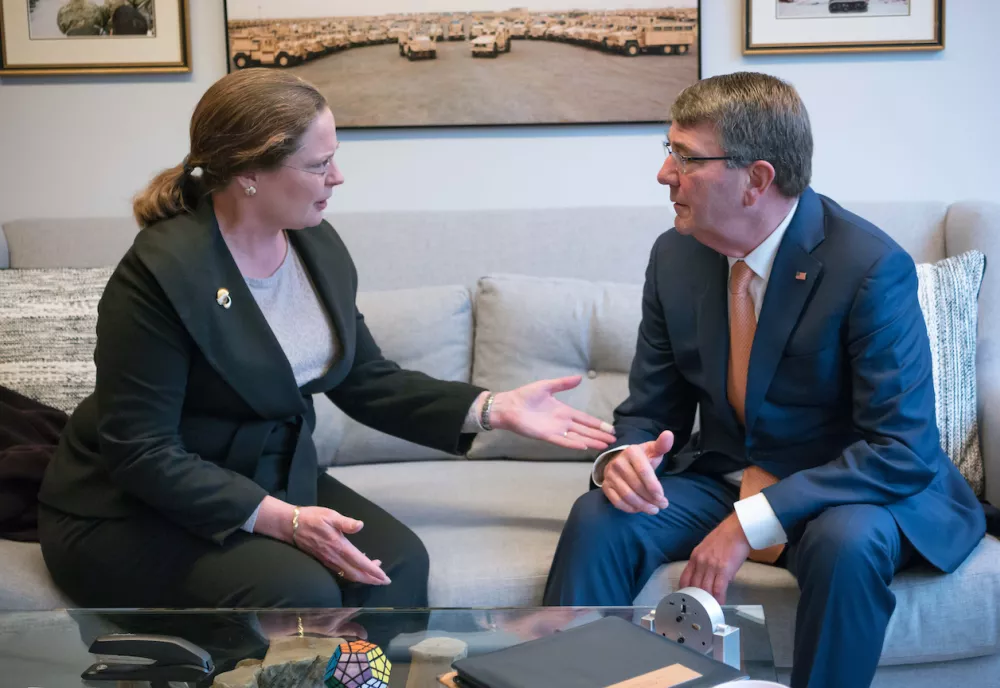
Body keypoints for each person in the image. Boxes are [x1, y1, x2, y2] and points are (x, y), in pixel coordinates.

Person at [37, 68, 616, 612]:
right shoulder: (162, 273)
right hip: (134, 506)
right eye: (320, 165)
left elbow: (364, 379)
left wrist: (494, 407)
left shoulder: (316, 245)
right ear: (249, 174)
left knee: (397, 566)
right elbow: (142, 452)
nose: (336, 178)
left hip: (268, 474)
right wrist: (281, 519)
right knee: (300, 593)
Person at [542, 72, 984, 688]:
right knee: (601, 517)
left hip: (846, 489)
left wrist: (749, 523)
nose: (664, 174)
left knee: (847, 543)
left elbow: (900, 450)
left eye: (685, 156)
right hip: (726, 471)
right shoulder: (675, 255)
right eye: (666, 150)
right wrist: (625, 456)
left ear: (756, 179)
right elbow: (651, 408)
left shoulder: (868, 267)